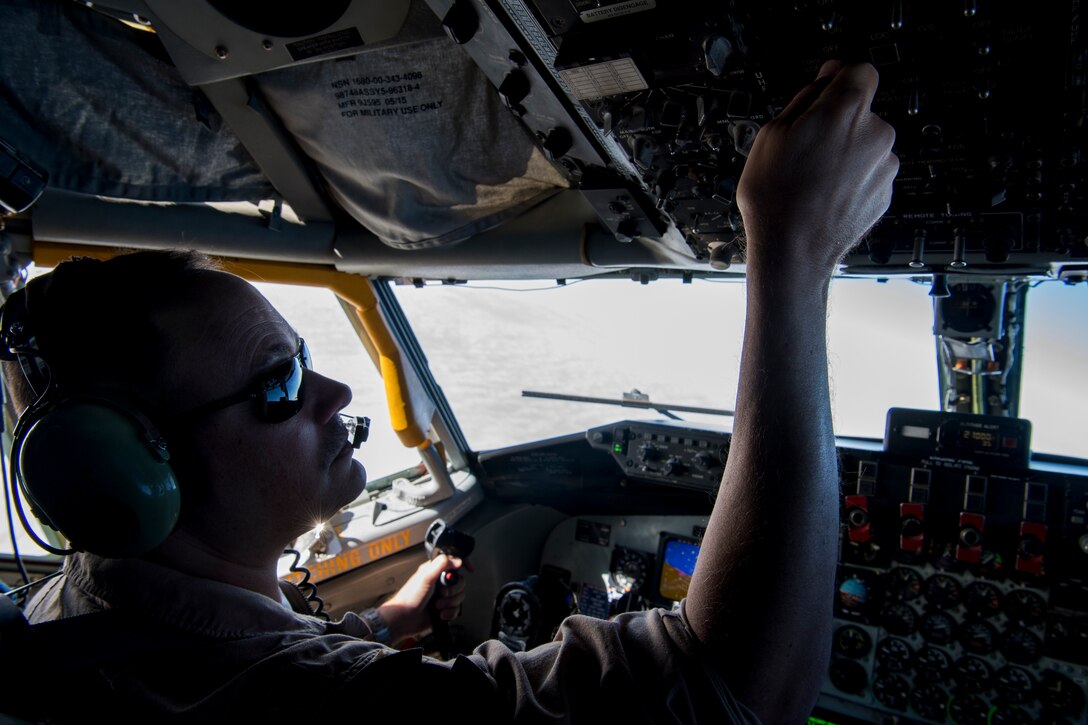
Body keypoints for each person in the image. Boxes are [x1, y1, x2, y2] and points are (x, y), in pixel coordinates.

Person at [3, 60, 896, 723]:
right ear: (132, 476)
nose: (335, 388)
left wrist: (384, 622)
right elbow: (736, 686)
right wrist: (793, 252)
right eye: (277, 383)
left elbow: (253, 658)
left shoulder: (78, 613)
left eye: (305, 355)